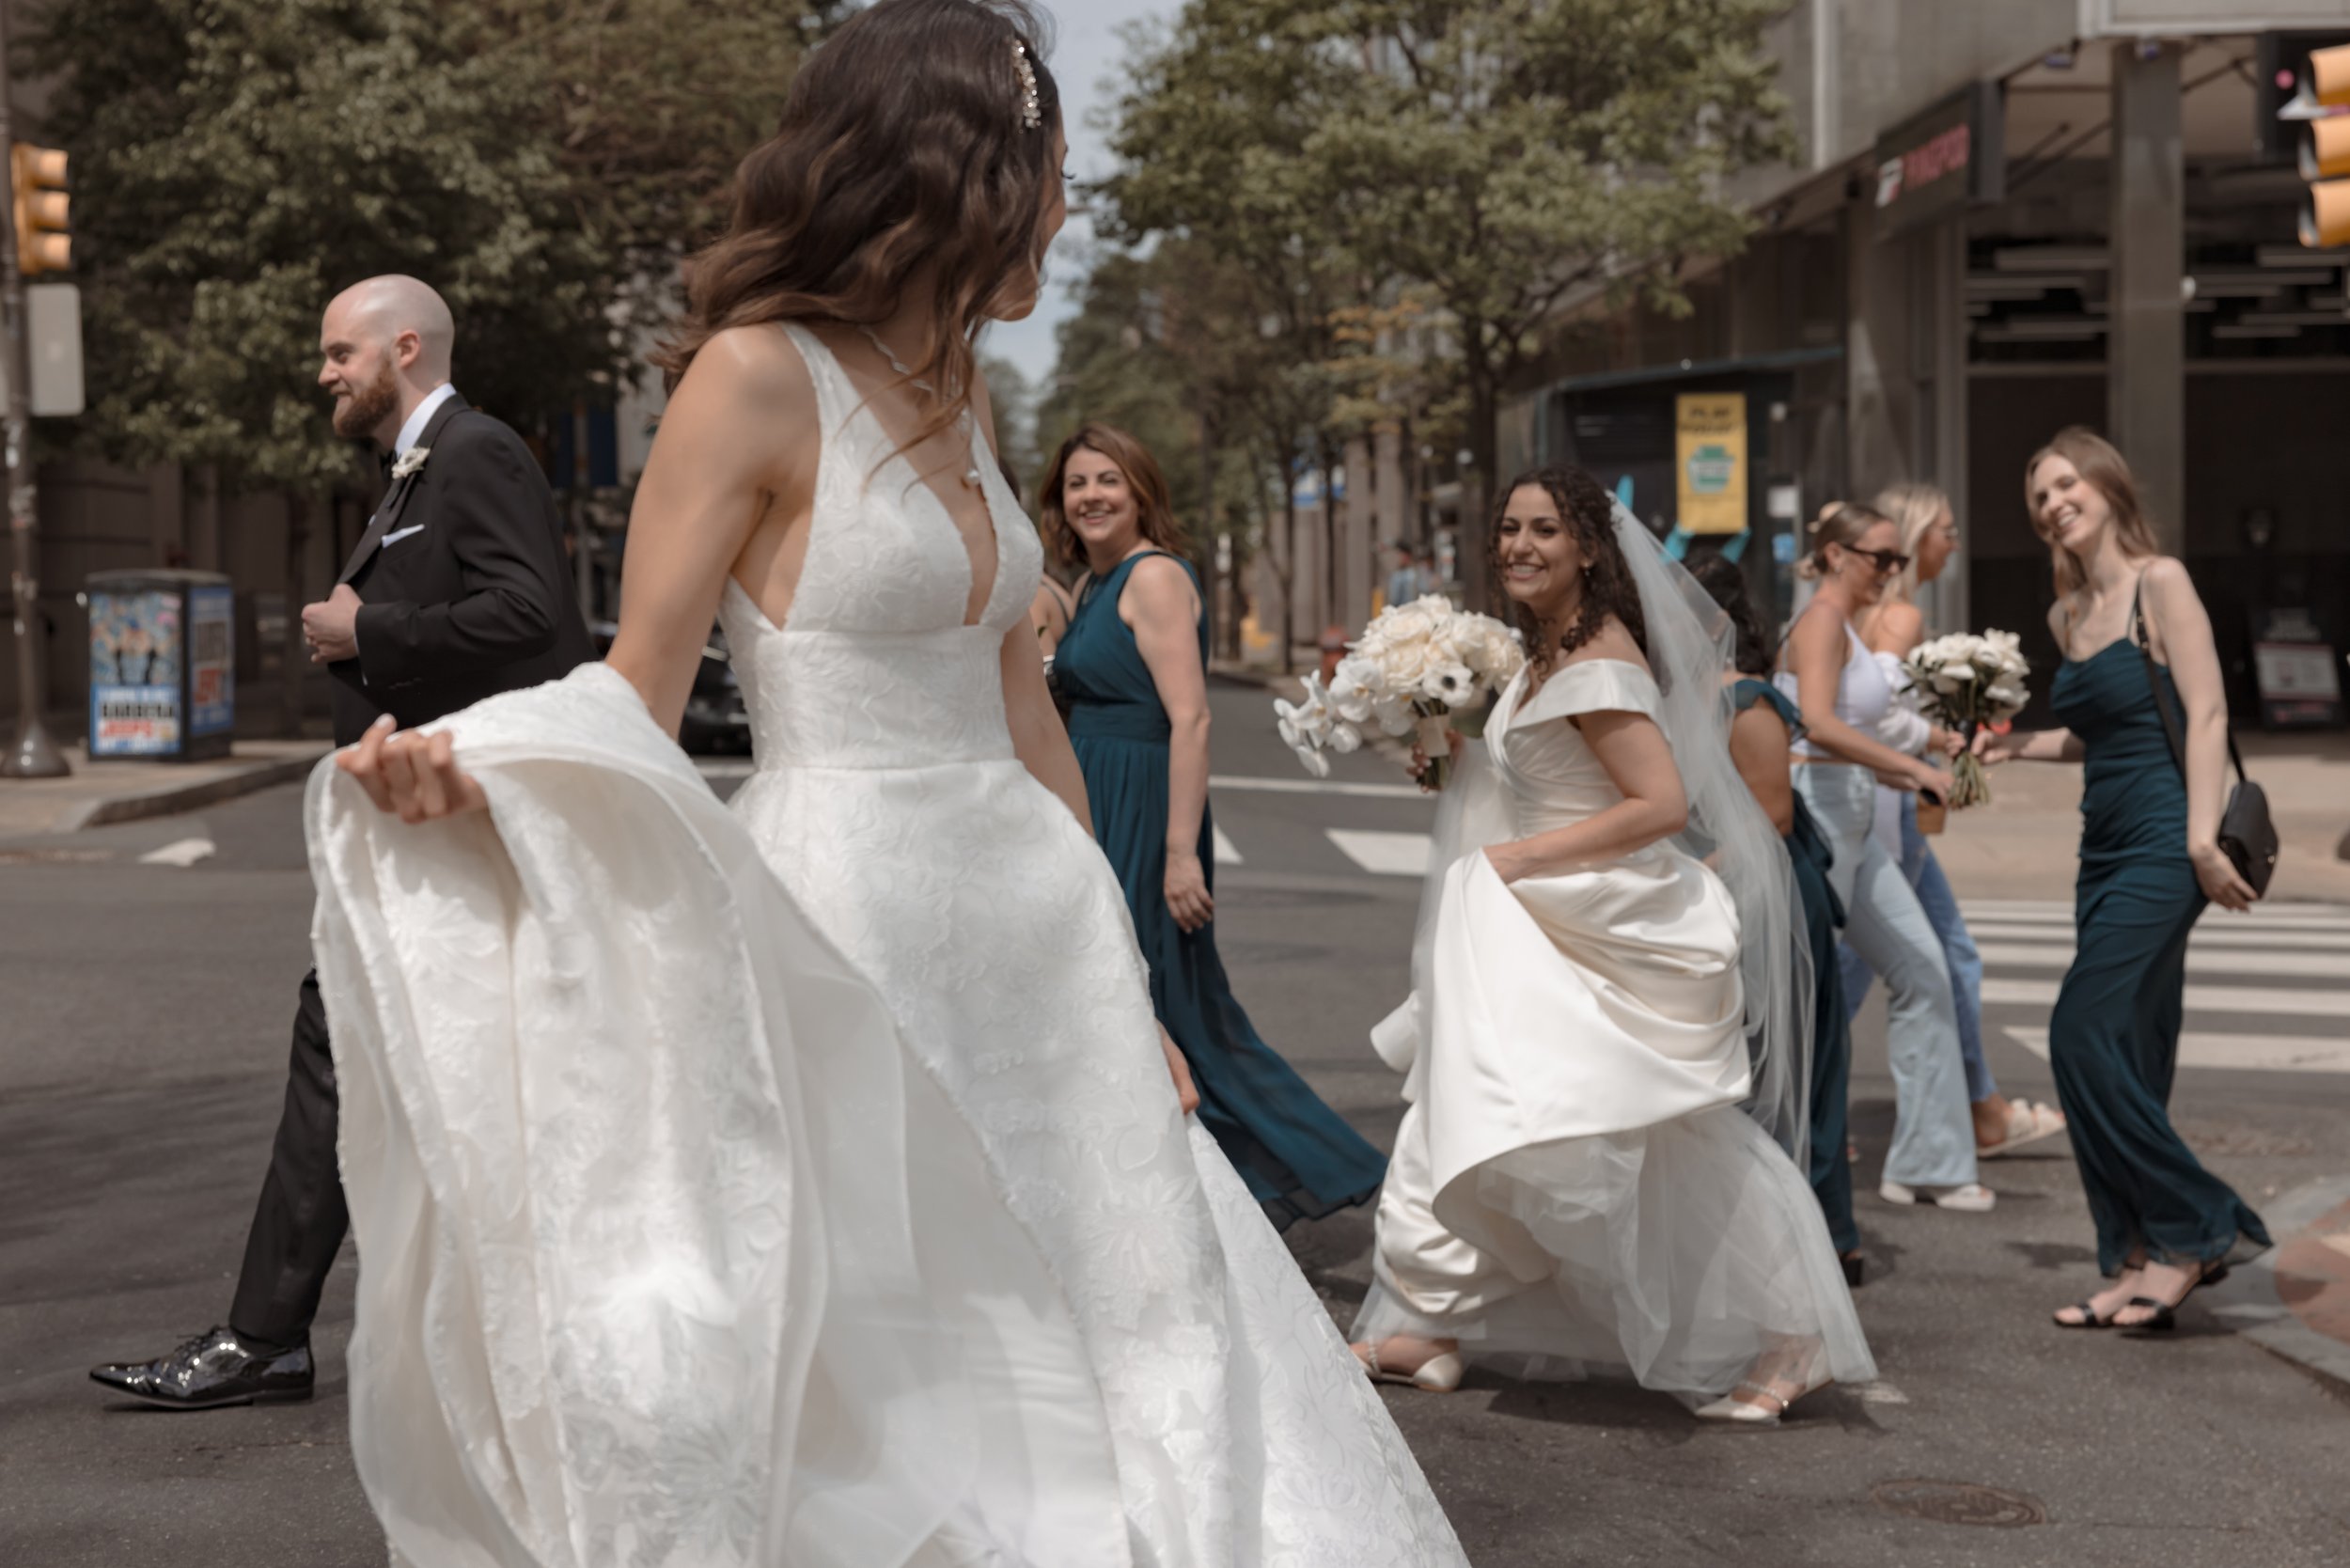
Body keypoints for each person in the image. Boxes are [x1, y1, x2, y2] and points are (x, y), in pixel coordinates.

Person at [305, 5, 1467, 1561]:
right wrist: (479, 774)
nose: (1063, 203)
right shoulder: (753, 377)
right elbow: (633, 686)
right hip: (852, 933)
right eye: (1049, 168)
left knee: (1141, 1309)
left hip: (1040, 944)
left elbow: (1023, 710)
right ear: (959, 168)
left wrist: (1127, 979)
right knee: (905, 1347)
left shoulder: (969, 395)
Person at [88, 274, 593, 1412]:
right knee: (348, 1047)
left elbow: (538, 621)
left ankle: (288, 1338)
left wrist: (368, 629)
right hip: (410, 826)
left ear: (402, 347)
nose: (324, 373)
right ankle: (273, 1334)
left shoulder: (476, 453)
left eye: (338, 353)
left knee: (430, 1059)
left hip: (455, 821)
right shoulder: (412, 469)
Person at [1350, 465, 1872, 1426]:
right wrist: (1439, 730)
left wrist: (1516, 860)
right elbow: (1544, 765)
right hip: (1542, 914)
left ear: (1588, 547)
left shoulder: (1593, 660)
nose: (1518, 545)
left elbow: (1660, 806)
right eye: (1508, 527)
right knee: (1479, 1097)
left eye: (1543, 529)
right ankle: (1429, 1320)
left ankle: (1793, 1334)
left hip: (1594, 921)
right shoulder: (1549, 653)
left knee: (1656, 1132)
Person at [1042, 422, 1386, 1229]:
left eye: (1108, 481)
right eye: (1077, 484)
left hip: (1146, 805)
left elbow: (1192, 720)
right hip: (1098, 801)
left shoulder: (1152, 577)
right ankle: (1196, 1188)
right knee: (1139, 1002)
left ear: (1141, 492)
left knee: (1172, 1007)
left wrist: (1177, 854)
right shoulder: (1093, 584)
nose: (1091, 496)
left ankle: (1322, 1163)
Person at [1976, 428, 2270, 1332]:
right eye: (2039, 497)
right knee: (2132, 1050)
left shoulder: (2161, 581)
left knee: (2077, 1033)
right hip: (2100, 845)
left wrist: (2199, 843)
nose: (2055, 503)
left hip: (2164, 843)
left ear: (2106, 485)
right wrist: (2008, 745)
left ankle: (2202, 1223)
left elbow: (2207, 706)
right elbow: (2092, 734)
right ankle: (2138, 1256)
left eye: (2067, 484)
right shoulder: (2069, 615)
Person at [1842, 483, 2065, 1159]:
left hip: (1895, 806)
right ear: (1914, 542)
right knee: (1866, 964)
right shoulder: (1901, 616)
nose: (1956, 541)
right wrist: (1940, 746)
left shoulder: (1880, 611)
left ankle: (1979, 1107)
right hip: (1888, 808)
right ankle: (1800, 1105)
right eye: (1945, 528)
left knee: (1934, 957)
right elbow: (1874, 713)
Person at [1777, 503, 1990, 1212]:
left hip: (1854, 812)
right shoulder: (1817, 622)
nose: (1893, 573)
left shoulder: (1846, 630)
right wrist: (1918, 769)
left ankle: (1928, 1163)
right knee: (1802, 995)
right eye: (1881, 559)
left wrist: (1929, 756)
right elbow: (1816, 723)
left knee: (1924, 969)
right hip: (1819, 813)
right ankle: (1778, 1157)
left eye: (1899, 561)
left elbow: (1869, 727)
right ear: (1837, 554)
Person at [1690, 553, 1863, 1286]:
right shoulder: (1686, 697)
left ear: (1719, 622)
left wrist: (1690, 875)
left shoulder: (1750, 701)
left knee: (1797, 1061)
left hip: (1771, 894)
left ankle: (1823, 1233)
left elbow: (1773, 816)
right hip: (1723, 890)